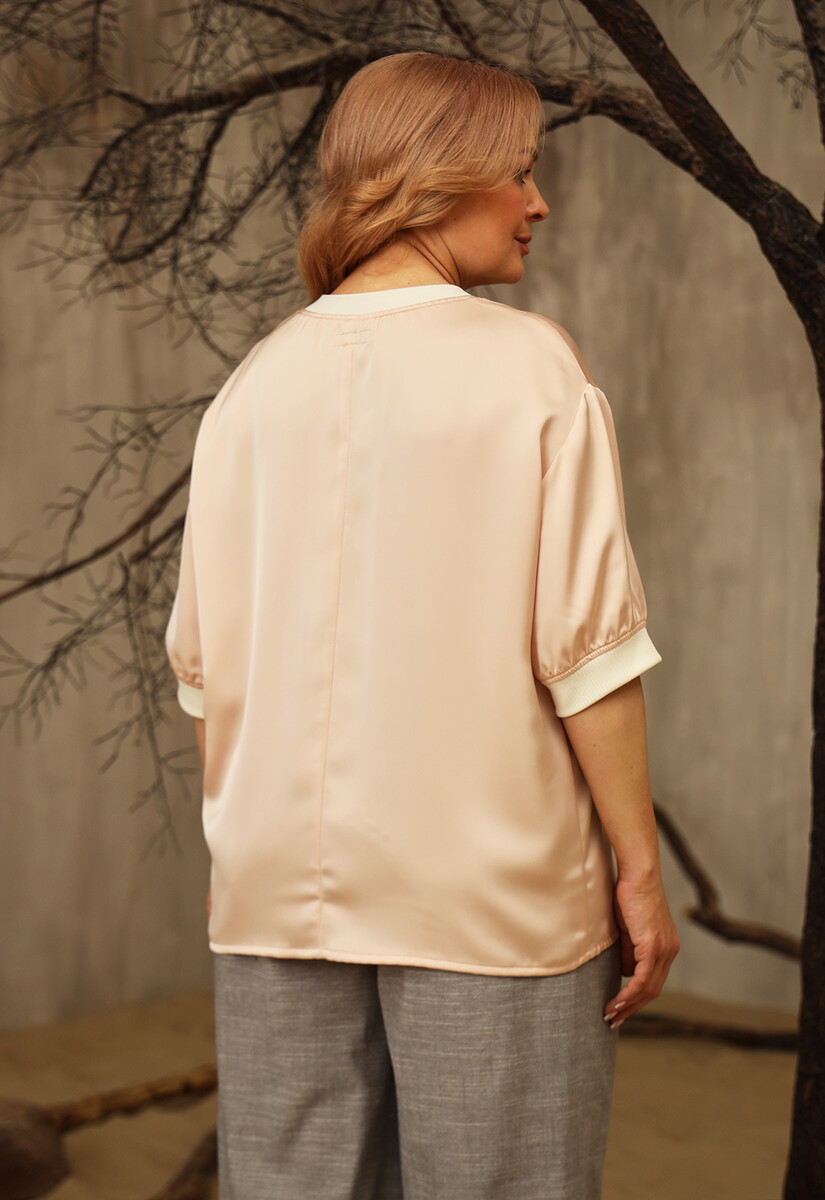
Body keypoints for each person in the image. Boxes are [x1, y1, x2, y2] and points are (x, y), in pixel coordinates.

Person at [165, 50, 679, 1200]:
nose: (539, 203)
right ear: (440, 176)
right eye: (521, 172)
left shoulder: (252, 388)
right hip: (495, 902)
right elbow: (589, 655)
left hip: (274, 897)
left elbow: (207, 678)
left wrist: (245, 851)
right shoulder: (531, 370)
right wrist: (639, 875)